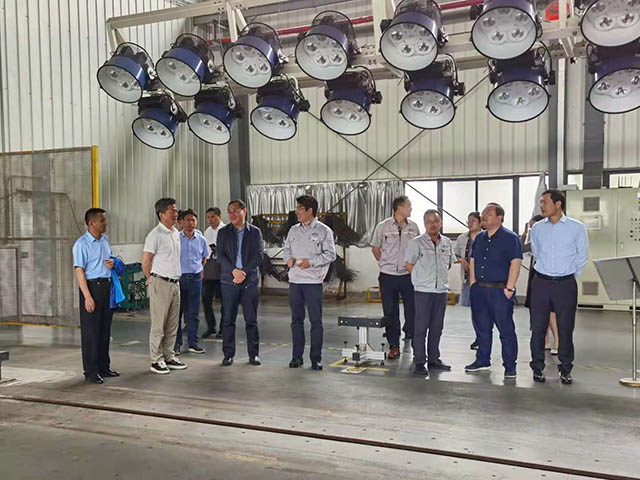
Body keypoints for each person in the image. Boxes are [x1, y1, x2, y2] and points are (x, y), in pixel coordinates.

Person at [529, 190, 588, 385]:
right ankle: (537, 367)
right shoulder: (537, 228)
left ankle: (566, 368)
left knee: (565, 328)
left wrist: (567, 276)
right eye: (540, 202)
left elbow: (582, 256)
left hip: (565, 284)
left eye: (544, 202)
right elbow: (536, 253)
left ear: (558, 204)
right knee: (538, 327)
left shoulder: (576, 228)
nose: (541, 206)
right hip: (541, 283)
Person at [465, 203, 523, 378]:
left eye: (488, 213)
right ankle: (482, 360)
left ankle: (510, 366)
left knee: (506, 330)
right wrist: (473, 283)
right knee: (482, 328)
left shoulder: (510, 238)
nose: (483, 215)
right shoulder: (479, 238)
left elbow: (515, 262)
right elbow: (473, 260)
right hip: (480, 290)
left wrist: (510, 287)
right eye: (483, 212)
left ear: (500, 218)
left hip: (500, 290)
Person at [284, 195, 336, 371]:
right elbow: (286, 250)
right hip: (295, 281)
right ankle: (296, 357)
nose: (296, 211)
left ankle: (316, 358)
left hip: (313, 282)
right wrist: (288, 259)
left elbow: (331, 254)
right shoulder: (293, 230)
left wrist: (311, 262)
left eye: (300, 208)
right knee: (296, 321)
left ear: (310, 210)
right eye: (297, 208)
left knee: (316, 322)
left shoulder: (324, 231)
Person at [405, 210, 457, 377]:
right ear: (424, 224)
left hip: (441, 291)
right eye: (428, 221)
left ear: (440, 222)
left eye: (435, 220)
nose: (432, 224)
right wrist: (420, 279)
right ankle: (420, 361)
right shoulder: (416, 243)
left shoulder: (447, 242)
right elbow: (409, 264)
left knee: (437, 327)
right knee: (420, 327)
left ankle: (434, 359)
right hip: (423, 292)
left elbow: (449, 263)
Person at [72, 208, 119, 384]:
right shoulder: (81, 244)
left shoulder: (105, 241)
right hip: (92, 288)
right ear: (92, 223)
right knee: (91, 333)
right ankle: (91, 371)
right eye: (102, 220)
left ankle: (104, 367)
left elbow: (109, 261)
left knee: (105, 330)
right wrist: (87, 297)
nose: (105, 223)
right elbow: (79, 271)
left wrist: (113, 263)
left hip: (107, 287)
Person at [371, 195, 420, 360]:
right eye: (409, 206)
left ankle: (414, 341)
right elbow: (375, 248)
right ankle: (393, 345)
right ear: (399, 208)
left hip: (408, 275)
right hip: (388, 276)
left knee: (412, 310)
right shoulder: (383, 226)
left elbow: (418, 249)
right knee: (390, 312)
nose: (411, 209)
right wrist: (385, 264)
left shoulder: (413, 227)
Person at [142, 198, 188, 374]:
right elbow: (146, 262)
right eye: (172, 211)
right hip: (160, 282)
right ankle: (156, 359)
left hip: (175, 283)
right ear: (162, 214)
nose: (176, 214)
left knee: (172, 324)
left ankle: (169, 356)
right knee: (159, 325)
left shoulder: (175, 232)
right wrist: (150, 279)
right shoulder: (155, 235)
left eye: (176, 210)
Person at [217, 199, 264, 366]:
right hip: (229, 282)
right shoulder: (223, 232)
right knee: (228, 320)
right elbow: (220, 256)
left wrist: (243, 272)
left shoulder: (255, 232)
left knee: (251, 320)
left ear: (244, 211)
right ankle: (228, 354)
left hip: (249, 282)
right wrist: (234, 271)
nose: (232, 215)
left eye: (235, 211)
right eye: (229, 212)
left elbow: (258, 255)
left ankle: (254, 354)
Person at [522, 214, 559, 355]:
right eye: (531, 227)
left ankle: (557, 341)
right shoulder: (532, 239)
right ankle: (546, 341)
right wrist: (524, 234)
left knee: (551, 311)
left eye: (534, 226)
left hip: (548, 275)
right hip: (535, 275)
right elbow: (521, 248)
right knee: (537, 310)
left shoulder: (548, 239)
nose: (532, 229)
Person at [174, 209, 209, 355]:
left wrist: (198, 269)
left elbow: (204, 257)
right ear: (182, 222)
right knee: (177, 313)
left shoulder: (201, 239)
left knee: (193, 313)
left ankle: (193, 343)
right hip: (179, 279)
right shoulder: (176, 238)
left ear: (196, 222)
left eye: (193, 220)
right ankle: (176, 344)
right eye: (187, 220)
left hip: (195, 279)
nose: (190, 223)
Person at [454, 211, 482, 350]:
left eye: (473, 221)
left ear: (480, 223)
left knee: (483, 310)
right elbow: (453, 255)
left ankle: (483, 336)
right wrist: (461, 260)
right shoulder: (462, 238)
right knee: (475, 310)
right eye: (468, 221)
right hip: (468, 279)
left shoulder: (485, 237)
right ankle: (479, 336)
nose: (470, 223)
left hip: (483, 279)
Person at [202, 207, 225, 339]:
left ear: (219, 216)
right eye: (208, 217)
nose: (210, 220)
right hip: (210, 267)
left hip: (222, 268)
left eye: (212, 217)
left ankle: (223, 328)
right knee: (206, 299)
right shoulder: (207, 232)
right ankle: (211, 326)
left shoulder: (226, 230)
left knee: (224, 301)